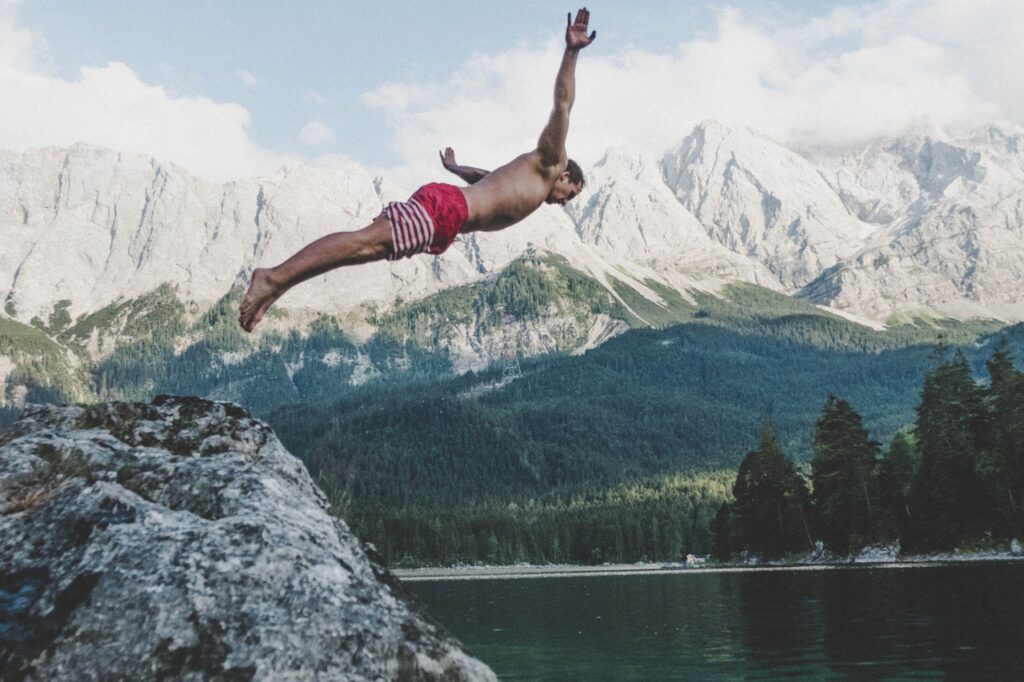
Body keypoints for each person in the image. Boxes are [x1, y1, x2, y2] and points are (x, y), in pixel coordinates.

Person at [239, 8, 596, 332]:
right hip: (448, 210)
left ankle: (278, 284)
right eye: (571, 194)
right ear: (566, 176)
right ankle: (273, 277)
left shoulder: (528, 179)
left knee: (367, 251)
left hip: (448, 212)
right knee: (365, 244)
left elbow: (484, 179)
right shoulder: (552, 162)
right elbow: (562, 105)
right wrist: (572, 52)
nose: (565, 202)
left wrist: (457, 168)